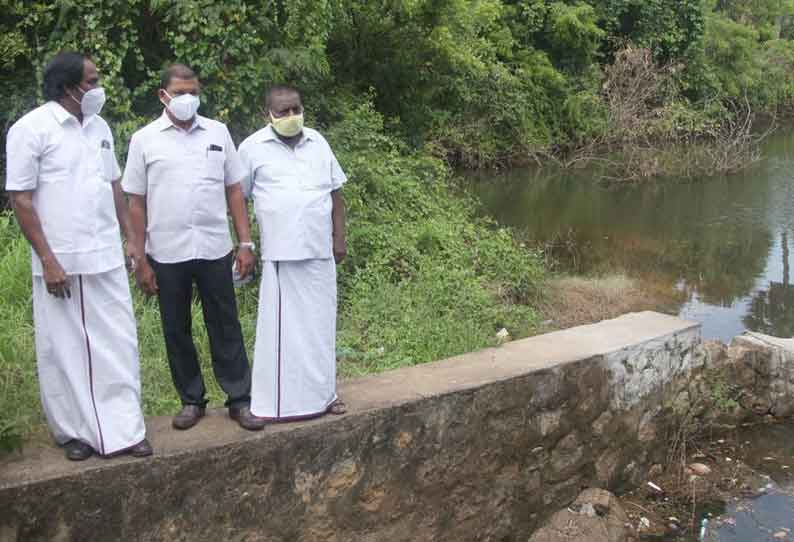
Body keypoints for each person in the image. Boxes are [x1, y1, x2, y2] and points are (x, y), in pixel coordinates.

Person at [5, 52, 151, 461]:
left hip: (105, 255)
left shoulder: (100, 127)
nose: (99, 87)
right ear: (69, 87)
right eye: (92, 80)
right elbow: (21, 199)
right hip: (62, 261)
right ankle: (74, 433)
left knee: (119, 343)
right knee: (65, 350)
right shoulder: (31, 129)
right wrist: (48, 260)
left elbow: (114, 185)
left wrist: (132, 239)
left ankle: (125, 429)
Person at [122, 64, 265, 431]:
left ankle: (239, 398)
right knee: (176, 327)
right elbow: (135, 202)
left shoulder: (217, 132)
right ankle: (191, 400)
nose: (188, 99)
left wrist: (245, 243)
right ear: (163, 96)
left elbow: (234, 189)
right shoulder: (144, 140)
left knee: (226, 324)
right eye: (180, 92)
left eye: (193, 92)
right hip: (166, 252)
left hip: (215, 248)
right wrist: (139, 257)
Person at [239, 85, 348, 421]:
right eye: (283, 111)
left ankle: (324, 395)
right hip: (281, 254)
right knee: (282, 332)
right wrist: (244, 245)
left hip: (319, 251)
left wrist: (339, 237)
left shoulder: (318, 142)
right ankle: (277, 404)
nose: (291, 117)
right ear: (267, 115)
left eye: (296, 109)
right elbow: (237, 199)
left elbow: (336, 194)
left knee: (320, 327)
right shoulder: (252, 148)